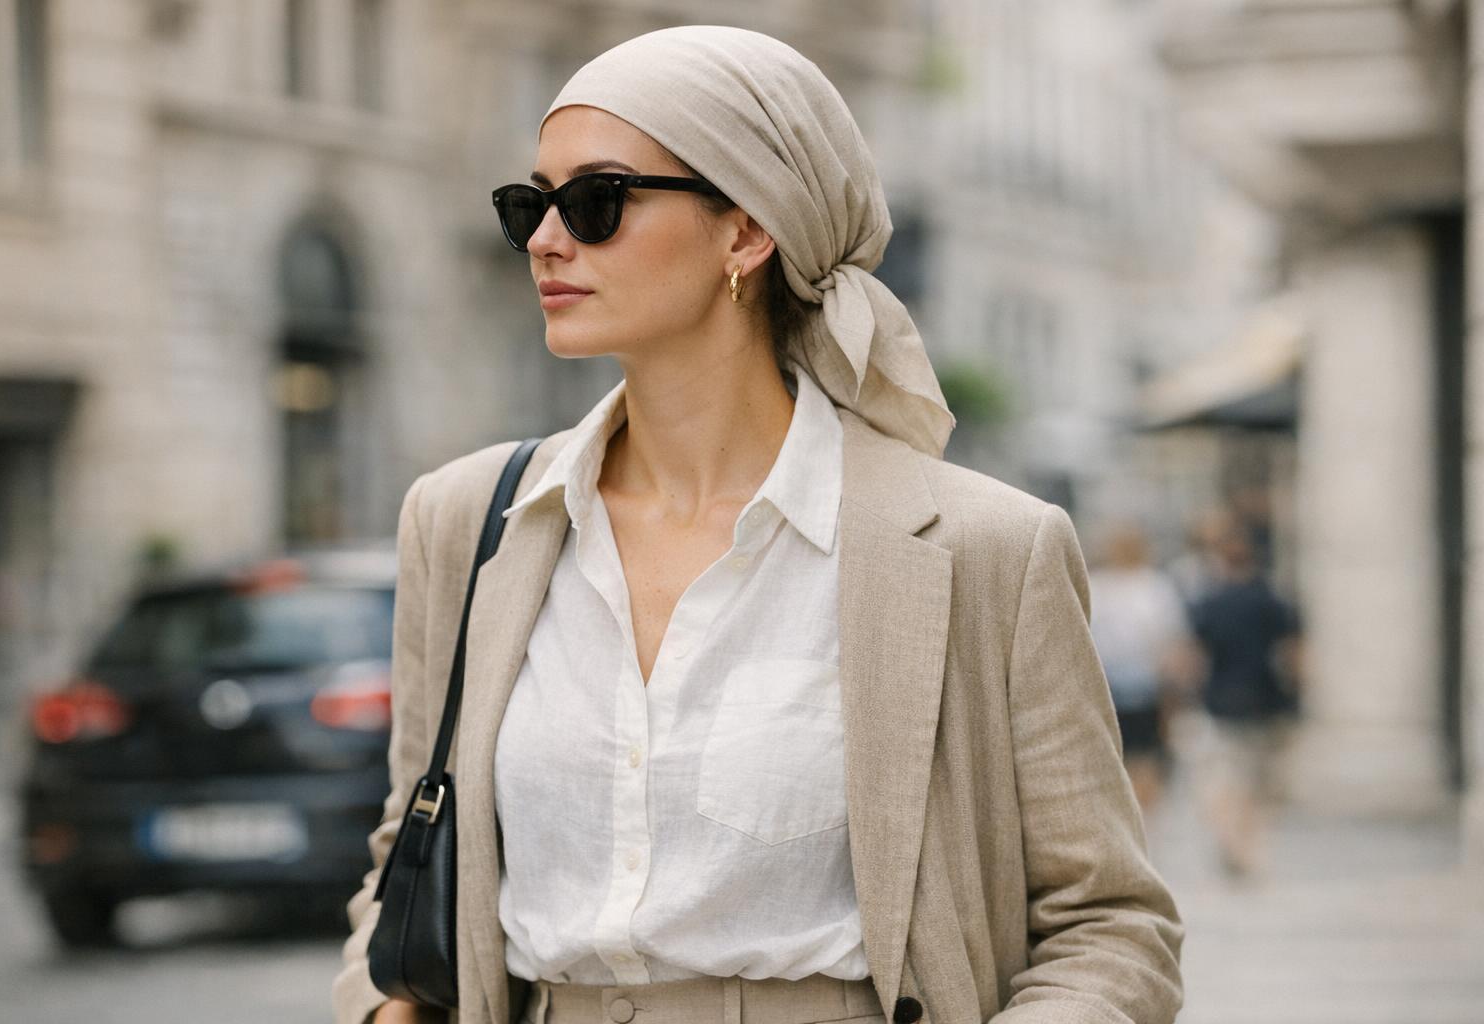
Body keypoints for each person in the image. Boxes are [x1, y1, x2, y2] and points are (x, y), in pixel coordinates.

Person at [334, 26, 1182, 1024]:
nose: (545, 239)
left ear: (746, 230)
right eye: (531, 203)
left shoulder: (983, 549)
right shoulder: (469, 522)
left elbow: (1110, 923)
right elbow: (411, 853)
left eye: (595, 203)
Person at [1186, 514, 1302, 879]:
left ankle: (1230, 839)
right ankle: (1247, 847)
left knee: (1225, 780)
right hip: (1267, 701)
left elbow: (1192, 656)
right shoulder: (1272, 599)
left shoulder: (1209, 602)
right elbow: (1294, 653)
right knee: (1261, 785)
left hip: (1221, 702)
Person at [1087, 521, 1195, 815]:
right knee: (1147, 760)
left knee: (1116, 758)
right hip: (1147, 686)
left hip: (1107, 686)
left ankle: (1128, 819)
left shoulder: (1096, 586)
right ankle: (1143, 821)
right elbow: (1172, 643)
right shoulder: (1155, 587)